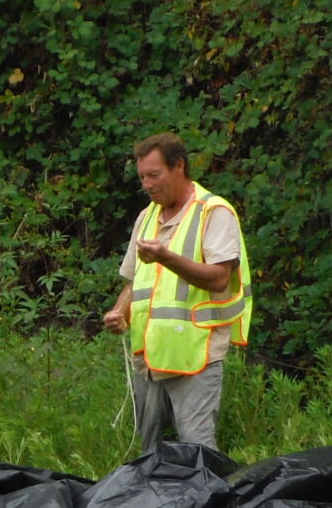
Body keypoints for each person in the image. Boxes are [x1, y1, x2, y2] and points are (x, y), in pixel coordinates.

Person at [100, 133, 249, 451]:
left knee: (197, 451)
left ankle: (208, 502)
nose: (147, 184)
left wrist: (167, 257)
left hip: (195, 357)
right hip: (150, 359)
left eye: (154, 175)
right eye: (142, 177)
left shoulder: (214, 212)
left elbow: (220, 278)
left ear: (179, 166)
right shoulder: (147, 216)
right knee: (152, 452)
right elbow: (134, 281)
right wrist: (119, 313)